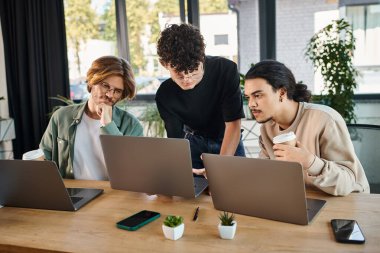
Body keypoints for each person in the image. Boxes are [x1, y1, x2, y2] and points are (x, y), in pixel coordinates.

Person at [244, 60, 369, 196]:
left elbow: (348, 182)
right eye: (248, 97)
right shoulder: (267, 129)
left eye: (257, 95)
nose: (251, 104)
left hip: (349, 202)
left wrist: (309, 162)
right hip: (304, 200)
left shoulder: (324, 119)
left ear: (282, 93)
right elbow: (267, 175)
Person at [155, 24, 245, 175]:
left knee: (235, 191)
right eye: (179, 74)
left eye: (193, 71)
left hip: (228, 139)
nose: (187, 79)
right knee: (191, 192)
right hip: (193, 143)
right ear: (164, 64)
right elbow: (176, 142)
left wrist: (219, 171)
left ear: (202, 56)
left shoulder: (225, 70)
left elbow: (233, 124)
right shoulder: (165, 94)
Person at [40, 56, 143, 180]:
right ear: (92, 82)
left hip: (114, 195)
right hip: (72, 194)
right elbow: (44, 158)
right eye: (105, 85)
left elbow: (133, 171)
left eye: (117, 91)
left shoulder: (131, 125)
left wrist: (108, 125)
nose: (110, 95)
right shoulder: (62, 117)